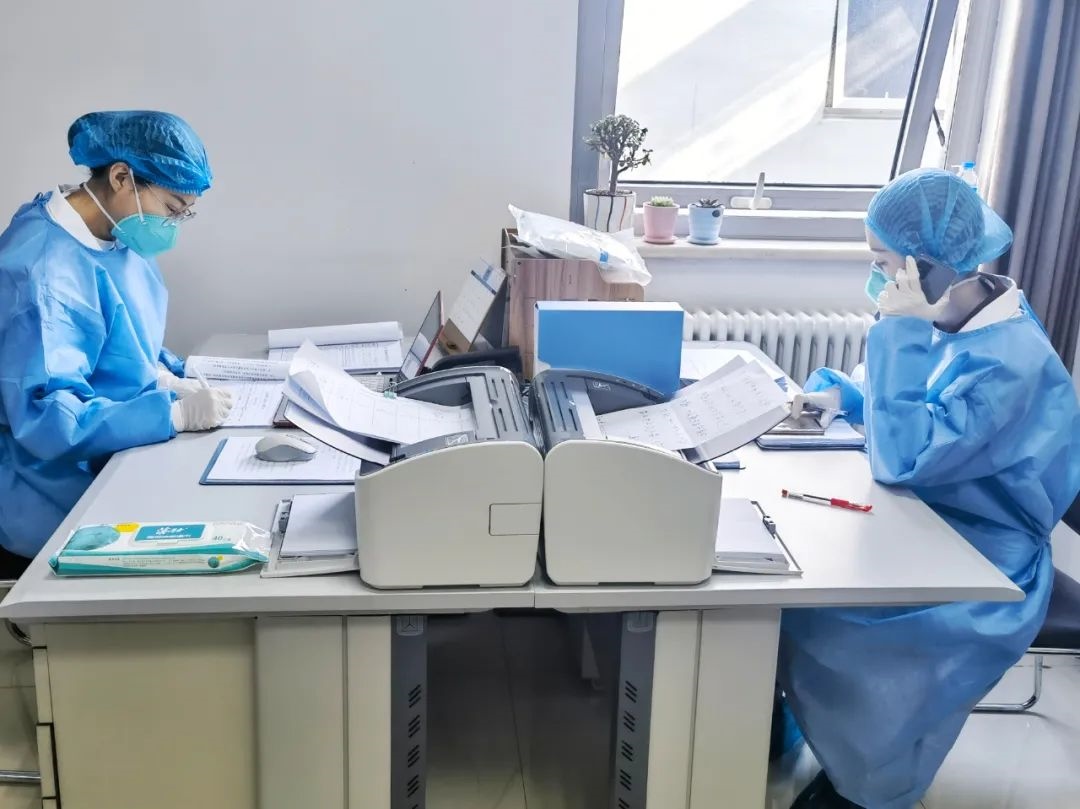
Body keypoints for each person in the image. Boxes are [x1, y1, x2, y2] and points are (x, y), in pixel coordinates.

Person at [779, 168, 1080, 809]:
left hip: (986, 557)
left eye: (883, 261)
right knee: (800, 592)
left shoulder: (1007, 361)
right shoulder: (959, 316)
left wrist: (898, 332)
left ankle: (871, 787)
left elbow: (905, 457)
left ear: (933, 269)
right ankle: (812, 746)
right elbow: (914, 409)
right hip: (933, 519)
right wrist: (843, 397)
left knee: (833, 621)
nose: (876, 276)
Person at [0, 111, 234, 577]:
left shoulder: (114, 235)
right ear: (122, 177)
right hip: (51, 499)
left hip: (115, 457)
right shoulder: (43, 272)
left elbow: (124, 340)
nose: (175, 224)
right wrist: (171, 415)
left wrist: (165, 375)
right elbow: (49, 417)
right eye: (173, 209)